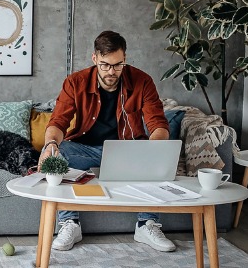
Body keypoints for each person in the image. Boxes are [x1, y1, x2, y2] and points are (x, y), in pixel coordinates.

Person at [37, 31, 174, 252]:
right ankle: (69, 223)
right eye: (105, 65)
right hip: (85, 149)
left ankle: (146, 224)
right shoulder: (75, 82)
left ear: (125, 59)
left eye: (117, 65)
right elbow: (59, 121)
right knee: (61, 152)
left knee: (153, 153)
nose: (111, 72)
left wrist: (154, 148)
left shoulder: (142, 81)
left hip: (127, 149)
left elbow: (157, 123)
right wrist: (51, 144)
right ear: (94, 59)